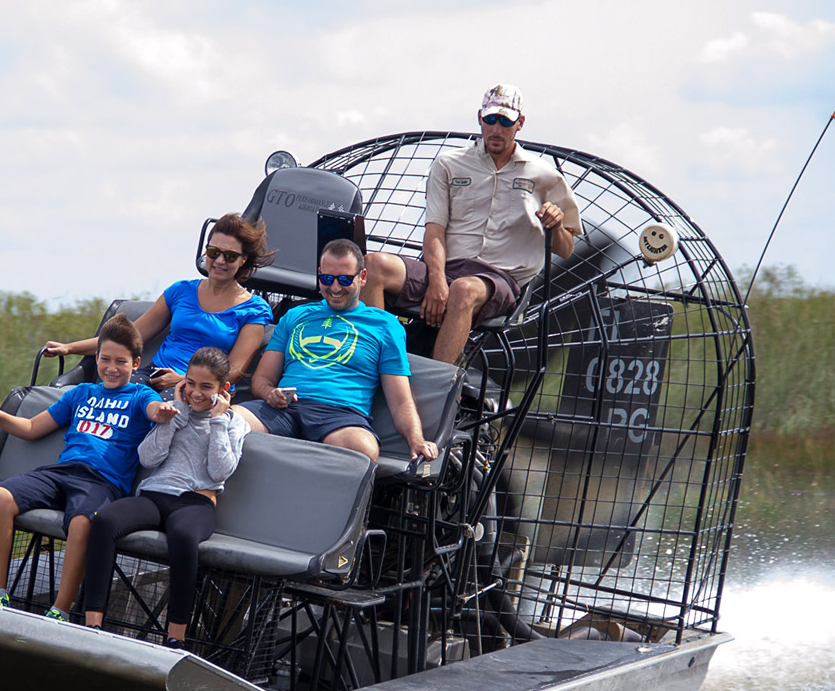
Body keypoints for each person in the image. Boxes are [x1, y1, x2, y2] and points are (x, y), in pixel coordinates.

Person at [0, 314, 178, 618]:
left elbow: (154, 409)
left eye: (121, 362)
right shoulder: (81, 394)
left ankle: (60, 611)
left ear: (135, 362)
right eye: (105, 360)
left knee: (82, 523)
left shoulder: (141, 395)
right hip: (62, 473)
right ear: (97, 358)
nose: (111, 368)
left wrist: (163, 410)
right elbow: (31, 427)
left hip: (102, 482)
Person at [362, 83, 583, 365]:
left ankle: (436, 387)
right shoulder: (449, 164)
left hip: (498, 280)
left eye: (505, 121)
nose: (496, 128)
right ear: (480, 118)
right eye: (491, 119)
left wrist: (556, 225)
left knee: (463, 290)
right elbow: (435, 230)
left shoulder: (544, 175)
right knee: (373, 264)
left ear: (520, 123)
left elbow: (566, 250)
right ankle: (375, 367)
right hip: (445, 270)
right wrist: (437, 280)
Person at [80, 347, 249, 648]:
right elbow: (147, 458)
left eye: (206, 387)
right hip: (155, 495)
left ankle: (176, 637)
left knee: (183, 537)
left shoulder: (234, 423)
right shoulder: (171, 411)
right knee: (104, 520)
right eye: (192, 384)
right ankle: (92, 623)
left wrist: (217, 421)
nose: (196, 393)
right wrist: (174, 416)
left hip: (194, 502)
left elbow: (219, 471)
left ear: (223, 389)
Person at [234, 238, 438, 463]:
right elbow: (262, 379)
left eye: (344, 279)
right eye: (327, 279)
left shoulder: (385, 325)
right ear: (320, 275)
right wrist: (269, 393)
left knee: (362, 449)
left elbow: (400, 400)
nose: (335, 287)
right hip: (285, 410)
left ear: (362, 277)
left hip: (340, 417)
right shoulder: (295, 316)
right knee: (227, 421)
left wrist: (416, 440)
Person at [43, 213, 274, 390]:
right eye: (214, 252)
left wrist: (185, 380)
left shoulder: (253, 310)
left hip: (202, 390)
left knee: (160, 413)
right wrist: (69, 348)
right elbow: (129, 338)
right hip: (154, 376)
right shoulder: (181, 291)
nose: (220, 260)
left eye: (230, 256)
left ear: (243, 260)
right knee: (112, 399)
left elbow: (233, 370)